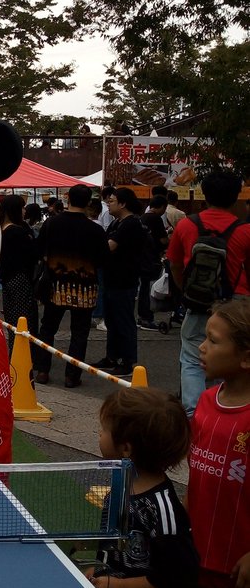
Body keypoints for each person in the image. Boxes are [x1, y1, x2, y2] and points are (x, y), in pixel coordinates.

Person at [88, 385, 198, 588]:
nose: (99, 434)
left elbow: (182, 576)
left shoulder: (162, 509)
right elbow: (114, 546)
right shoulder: (120, 486)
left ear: (126, 448)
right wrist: (100, 570)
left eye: (104, 429)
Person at [187, 298, 250, 588]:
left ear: (246, 358)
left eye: (213, 340)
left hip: (241, 572)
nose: (202, 347)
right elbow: (197, 479)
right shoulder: (207, 402)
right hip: (202, 560)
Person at [167, 170, 250, 417]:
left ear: (204, 193)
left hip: (199, 301)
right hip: (237, 305)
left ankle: (195, 416)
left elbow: (175, 264)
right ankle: (228, 410)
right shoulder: (245, 231)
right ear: (236, 197)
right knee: (233, 356)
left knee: (193, 359)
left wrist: (186, 291)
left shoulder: (186, 225)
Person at [31, 183, 107, 388]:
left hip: (55, 286)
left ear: (68, 199)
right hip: (85, 289)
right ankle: (72, 376)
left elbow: (38, 250)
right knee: (79, 333)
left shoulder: (51, 224)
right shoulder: (95, 229)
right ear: (88, 203)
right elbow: (103, 259)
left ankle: (43, 370)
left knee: (48, 328)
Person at [94, 186, 144, 377]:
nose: (108, 204)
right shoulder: (117, 222)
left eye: (112, 201)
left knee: (123, 320)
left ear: (123, 204)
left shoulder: (131, 224)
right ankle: (112, 357)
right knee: (112, 319)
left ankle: (128, 361)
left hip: (124, 280)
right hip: (112, 278)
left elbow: (109, 247)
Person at [0, 193, 38, 354]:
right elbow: (32, 255)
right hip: (21, 278)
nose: (24, 211)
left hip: (7, 279)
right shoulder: (18, 232)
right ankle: (24, 353)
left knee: (12, 317)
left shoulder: (1, 230)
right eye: (22, 207)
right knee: (24, 317)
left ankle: (15, 351)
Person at [137, 195, 170, 330]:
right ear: (162, 207)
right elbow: (163, 240)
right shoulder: (156, 218)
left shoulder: (142, 217)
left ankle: (142, 317)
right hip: (151, 259)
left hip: (142, 257)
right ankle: (147, 318)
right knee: (149, 289)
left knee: (143, 289)